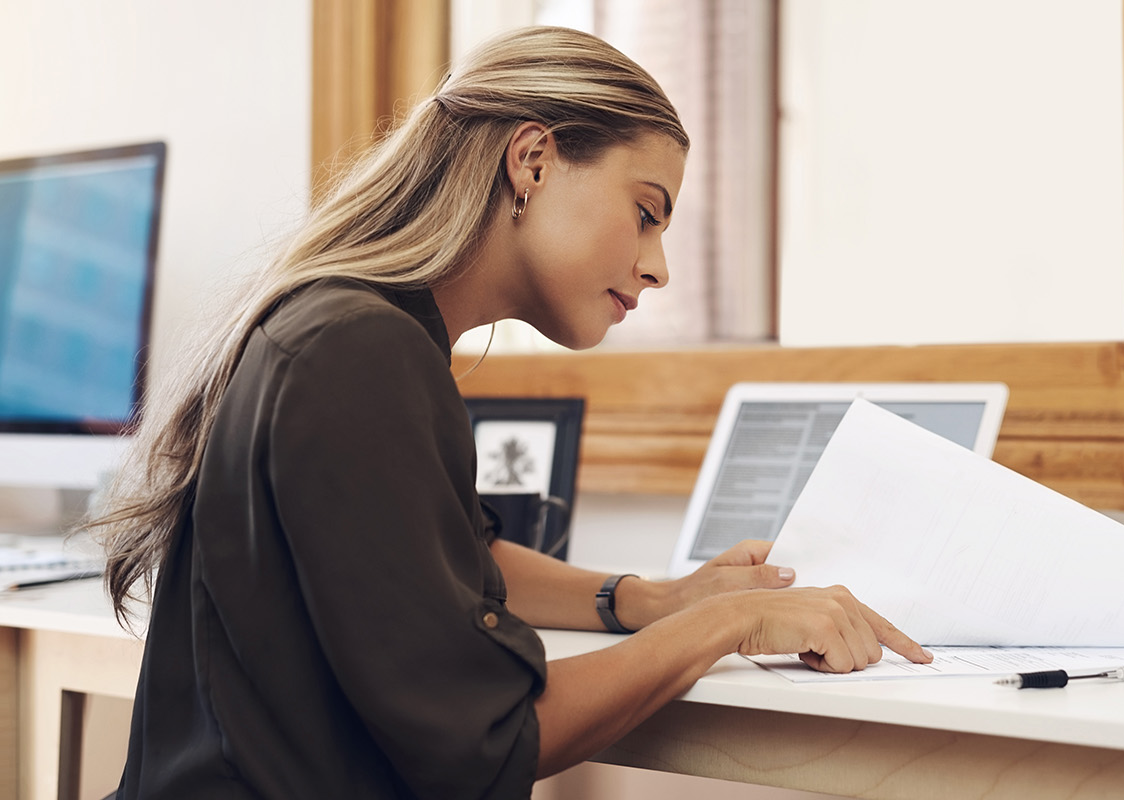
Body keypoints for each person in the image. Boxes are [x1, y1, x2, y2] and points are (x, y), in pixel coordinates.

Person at [87, 26, 929, 799]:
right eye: (645, 213)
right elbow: (488, 744)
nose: (658, 266)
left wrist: (652, 599)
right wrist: (729, 620)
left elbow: (439, 562)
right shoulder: (360, 354)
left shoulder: (352, 326)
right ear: (531, 160)